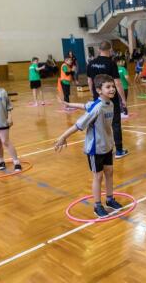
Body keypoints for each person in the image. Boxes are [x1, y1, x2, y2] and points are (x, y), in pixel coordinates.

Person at [54, 74, 123, 218]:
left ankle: (109, 199)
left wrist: (68, 104)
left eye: (113, 86)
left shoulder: (109, 104)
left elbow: (84, 105)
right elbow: (78, 125)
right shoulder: (97, 108)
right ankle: (97, 206)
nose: (112, 89)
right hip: (95, 148)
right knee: (98, 177)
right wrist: (63, 137)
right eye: (108, 87)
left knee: (109, 172)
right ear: (99, 90)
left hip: (108, 146)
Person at [86, 41, 128, 159]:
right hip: (111, 99)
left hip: (97, 98)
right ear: (110, 50)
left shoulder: (91, 63)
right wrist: (123, 99)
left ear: (99, 50)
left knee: (100, 124)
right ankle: (119, 150)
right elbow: (118, 83)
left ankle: (103, 149)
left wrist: (93, 94)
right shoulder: (111, 63)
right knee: (115, 124)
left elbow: (89, 81)